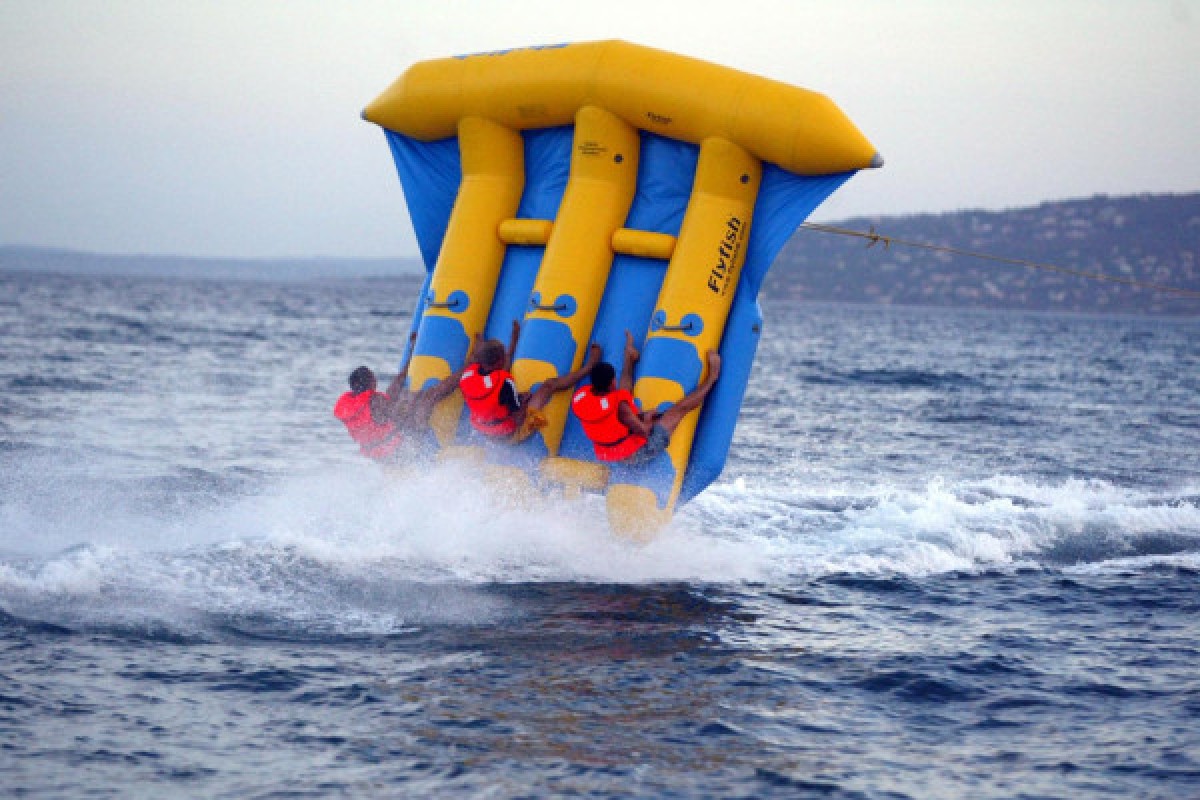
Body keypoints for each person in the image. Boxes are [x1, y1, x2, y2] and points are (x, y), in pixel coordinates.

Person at [571, 331, 721, 465]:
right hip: (636, 455)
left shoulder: (582, 397)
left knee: (623, 396)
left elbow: (613, 418)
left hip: (611, 453)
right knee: (677, 411)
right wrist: (647, 418)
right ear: (612, 382)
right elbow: (643, 432)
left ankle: (629, 357)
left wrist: (638, 416)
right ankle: (712, 377)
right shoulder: (621, 408)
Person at [460, 320, 602, 443]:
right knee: (549, 385)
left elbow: (492, 385)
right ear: (499, 361)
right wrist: (523, 400)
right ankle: (589, 367)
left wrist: (513, 341)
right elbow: (518, 415)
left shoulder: (468, 374)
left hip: (484, 430)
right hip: (507, 434)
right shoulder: (504, 382)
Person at [334, 332, 460, 462]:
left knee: (398, 394)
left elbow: (393, 392)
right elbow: (403, 418)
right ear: (373, 381)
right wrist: (416, 398)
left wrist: (412, 351)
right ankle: (466, 368)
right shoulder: (375, 402)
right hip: (399, 451)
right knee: (429, 397)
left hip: (378, 455)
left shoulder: (352, 406)